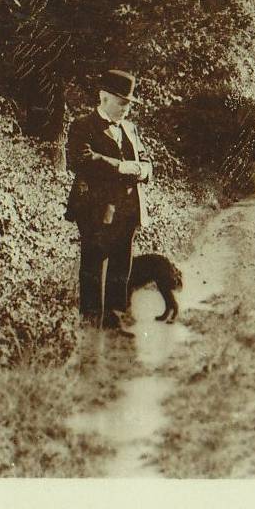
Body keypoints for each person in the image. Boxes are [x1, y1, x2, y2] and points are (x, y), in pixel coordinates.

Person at [65, 69, 153, 334]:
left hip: (128, 208)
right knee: (93, 263)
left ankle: (115, 320)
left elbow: (146, 159)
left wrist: (145, 170)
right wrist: (122, 168)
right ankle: (91, 323)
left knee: (121, 264)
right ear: (103, 98)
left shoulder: (131, 128)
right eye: (121, 102)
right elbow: (80, 159)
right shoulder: (82, 125)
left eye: (128, 103)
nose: (126, 108)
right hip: (95, 209)